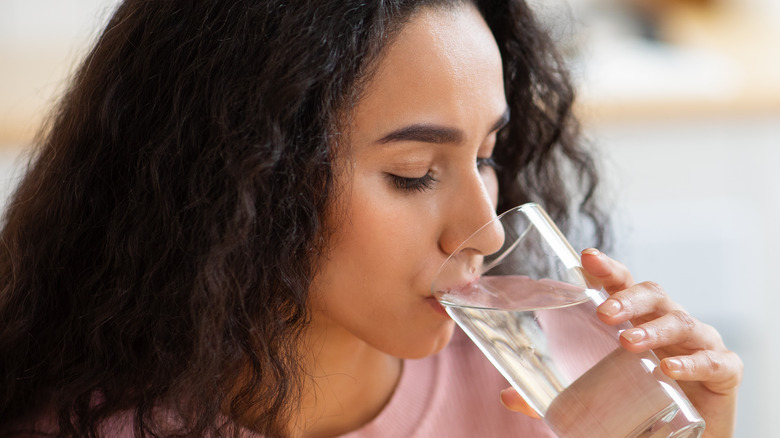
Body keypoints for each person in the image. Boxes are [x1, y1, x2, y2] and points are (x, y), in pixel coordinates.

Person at [0, 0, 742, 437]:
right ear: (241, 175)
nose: (485, 232)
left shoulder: (546, 386)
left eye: (487, 154)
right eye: (413, 174)